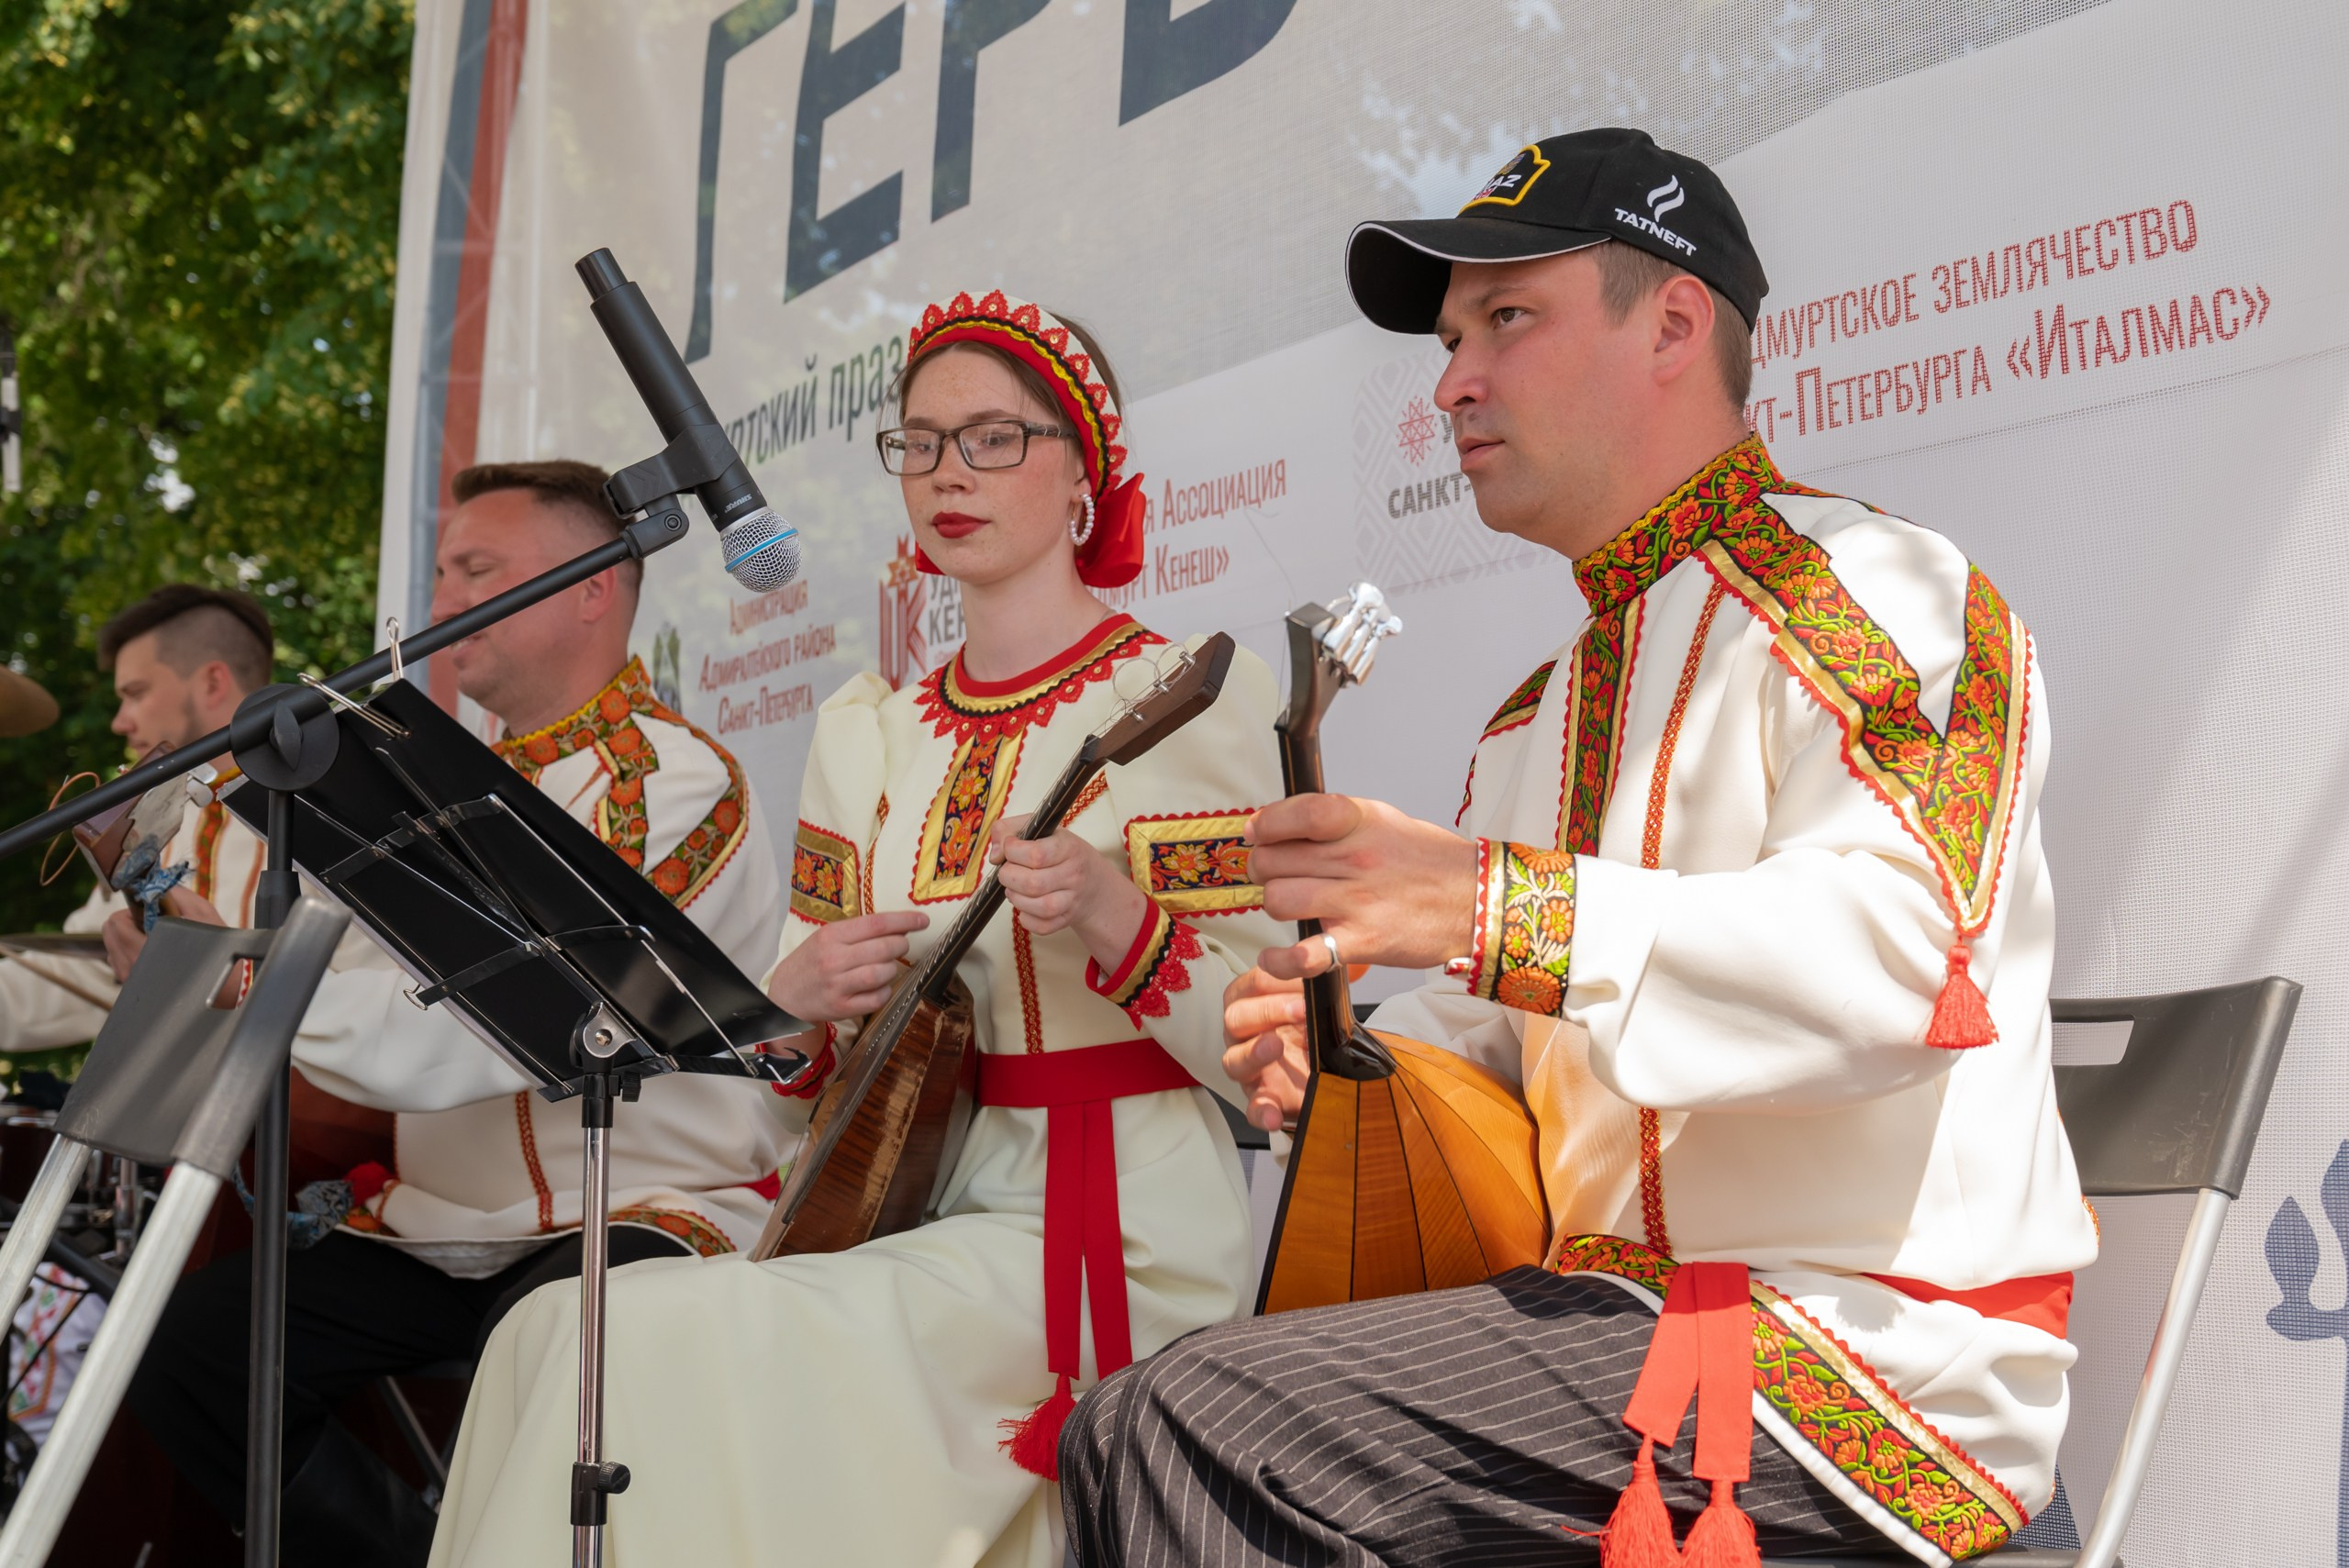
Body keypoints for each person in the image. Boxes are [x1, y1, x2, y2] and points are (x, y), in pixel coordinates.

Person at [1061, 128, 2097, 1567]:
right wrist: (1354, 1055)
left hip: (1862, 1364)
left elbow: (1914, 971)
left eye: (1506, 320)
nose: (1452, 380)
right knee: (1138, 1420)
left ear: (1672, 322)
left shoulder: (1883, 591)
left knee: (1187, 1425)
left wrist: (1492, 902)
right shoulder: (1533, 717)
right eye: (1448, 340)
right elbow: (1509, 1045)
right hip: (1614, 1327)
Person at [427, 292, 1289, 1567]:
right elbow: (797, 1097)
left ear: (1083, 476)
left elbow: (1271, 1062)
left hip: (1111, 1230)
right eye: (922, 441)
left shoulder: (1177, 697)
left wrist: (1117, 916)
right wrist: (798, 997)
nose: (949, 471)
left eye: (995, 438)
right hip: (912, 1206)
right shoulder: (864, 730)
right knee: (545, 1338)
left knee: (650, 1345)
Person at [122, 461, 794, 1568]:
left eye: (476, 570)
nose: (440, 600)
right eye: (439, 572)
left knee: (541, 1349)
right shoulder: (424, 785)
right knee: (192, 1345)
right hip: (444, 1228)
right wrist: (206, 953)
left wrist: (252, 987)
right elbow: (336, 979)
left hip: (637, 1208)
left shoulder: (673, 782)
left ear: (592, 588)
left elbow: (500, 1027)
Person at [0, 584, 276, 1048]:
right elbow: (68, 976)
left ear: (212, 682)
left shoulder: (332, 814)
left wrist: (237, 982)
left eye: (136, 693)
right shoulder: (155, 822)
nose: (119, 721)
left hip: (306, 1119)